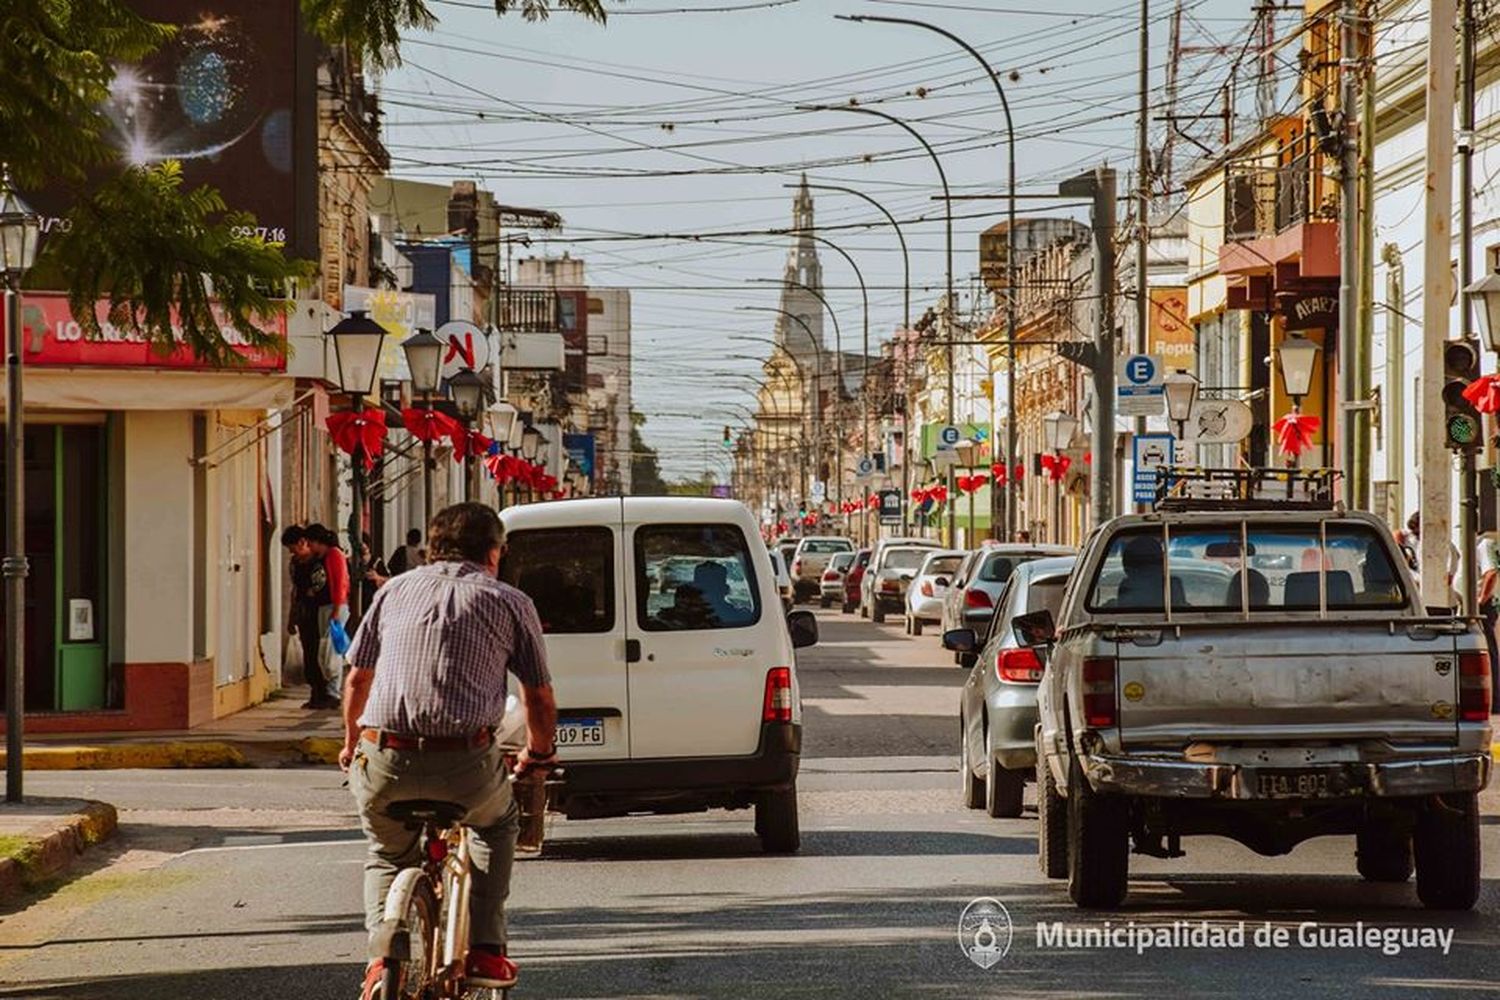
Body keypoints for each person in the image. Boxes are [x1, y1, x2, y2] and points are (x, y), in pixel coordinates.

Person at [340, 502, 557, 997]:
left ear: (431, 548)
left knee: (386, 852)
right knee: (497, 826)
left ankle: (380, 959)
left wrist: (353, 743)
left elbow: (357, 679)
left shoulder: (393, 590)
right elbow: (538, 698)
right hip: (466, 761)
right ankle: (486, 949)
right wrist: (539, 755)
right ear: (494, 553)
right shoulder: (509, 601)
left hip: (383, 754)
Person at [304, 524, 351, 709]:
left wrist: (337, 609)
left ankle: (333, 691)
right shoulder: (323, 556)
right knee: (327, 649)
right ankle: (330, 690)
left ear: (317, 541)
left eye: (310, 542)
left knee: (331, 651)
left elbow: (340, 582)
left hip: (334, 606)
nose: (309, 546)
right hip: (326, 606)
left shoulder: (334, 554)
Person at [281, 525, 324, 706]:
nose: (293, 553)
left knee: (320, 655)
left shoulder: (318, 562)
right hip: (304, 613)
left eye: (293, 548)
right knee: (309, 655)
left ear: (302, 542)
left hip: (319, 613)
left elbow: (322, 587)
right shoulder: (295, 564)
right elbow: (295, 591)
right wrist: (292, 617)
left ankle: (324, 693)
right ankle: (315, 693)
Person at [360, 533, 390, 610]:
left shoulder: (376, 562)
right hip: (357, 601)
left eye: (366, 546)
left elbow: (388, 579)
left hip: (372, 600)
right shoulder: (352, 562)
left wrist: (377, 577)